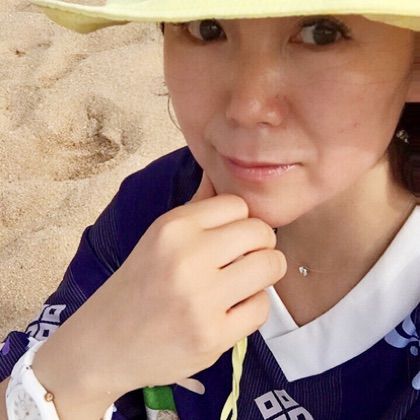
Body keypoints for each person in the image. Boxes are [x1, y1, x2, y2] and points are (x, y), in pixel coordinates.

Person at [1, 0, 420, 419]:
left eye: (320, 33)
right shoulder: (155, 209)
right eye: (207, 28)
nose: (247, 108)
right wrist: (85, 366)